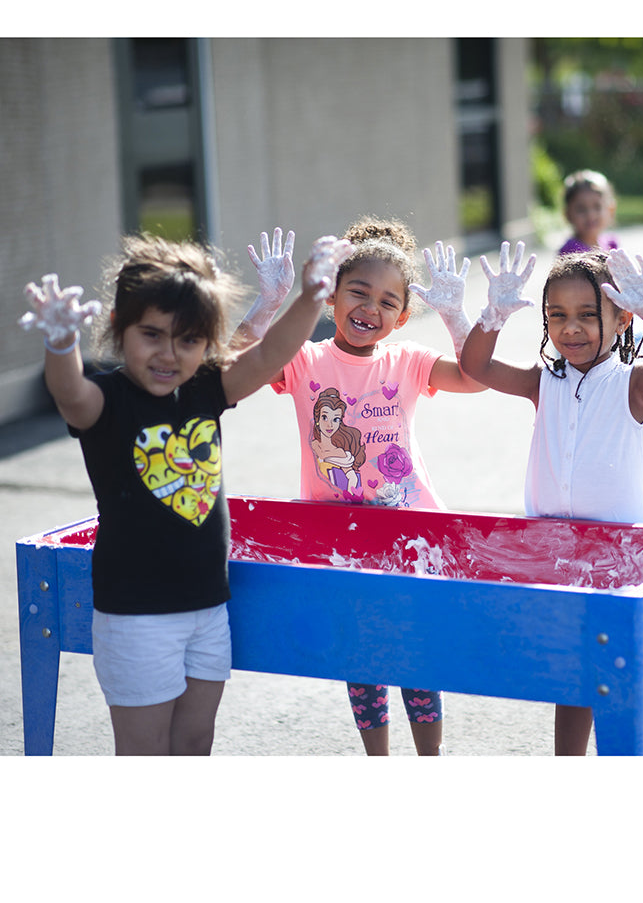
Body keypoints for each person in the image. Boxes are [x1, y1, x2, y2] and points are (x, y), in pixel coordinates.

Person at [18, 232, 349, 755]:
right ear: (117, 329)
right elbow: (69, 393)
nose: (169, 354)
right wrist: (61, 345)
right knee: (146, 753)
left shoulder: (203, 390)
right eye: (152, 334)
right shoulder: (107, 400)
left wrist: (311, 297)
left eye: (189, 340)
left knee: (195, 744)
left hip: (207, 608)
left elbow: (269, 355)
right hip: (135, 616)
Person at [461, 241, 643, 754]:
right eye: (557, 315)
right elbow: (476, 366)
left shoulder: (633, 382)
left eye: (587, 315)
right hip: (557, 553)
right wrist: (494, 312)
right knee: (572, 670)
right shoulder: (542, 381)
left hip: (626, 555)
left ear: (621, 321)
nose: (570, 327)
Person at [264, 216, 485, 756]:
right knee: (360, 658)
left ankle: (429, 761)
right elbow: (245, 358)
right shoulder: (305, 359)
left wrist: (457, 317)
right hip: (338, 543)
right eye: (358, 293)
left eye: (388, 302)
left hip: (409, 537)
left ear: (403, 316)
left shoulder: (408, 361)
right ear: (331, 295)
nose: (371, 309)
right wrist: (272, 302)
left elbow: (474, 377)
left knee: (414, 655)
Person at [559, 169, 643, 287]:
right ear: (568, 215)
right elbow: (599, 286)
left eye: (597, 207)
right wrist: (637, 280)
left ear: (610, 210)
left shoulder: (612, 245)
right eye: (581, 209)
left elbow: (621, 280)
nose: (590, 215)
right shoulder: (571, 252)